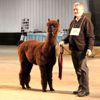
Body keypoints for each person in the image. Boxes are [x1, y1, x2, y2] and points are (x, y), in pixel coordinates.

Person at [59, 2, 94, 97]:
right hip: (73, 50)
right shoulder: (73, 22)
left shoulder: (86, 21)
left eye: (77, 9)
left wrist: (89, 48)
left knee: (83, 70)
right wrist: (63, 41)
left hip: (82, 50)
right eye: (74, 9)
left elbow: (91, 37)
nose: (75, 11)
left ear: (82, 10)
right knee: (77, 70)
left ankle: (85, 90)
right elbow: (70, 35)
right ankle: (81, 87)